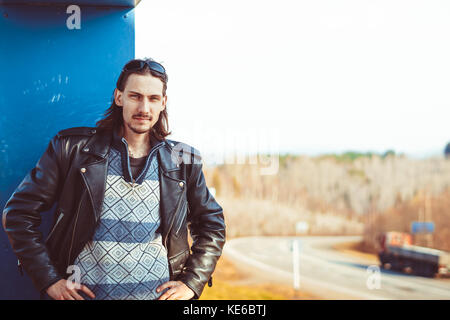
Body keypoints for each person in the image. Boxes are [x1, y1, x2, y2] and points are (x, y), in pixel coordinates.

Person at [2, 58, 226, 300]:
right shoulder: (71, 149)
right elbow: (18, 214)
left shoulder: (183, 160)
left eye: (152, 99)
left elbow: (212, 225)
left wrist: (191, 282)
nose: (144, 108)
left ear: (163, 103)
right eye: (135, 96)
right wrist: (49, 280)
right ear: (119, 97)